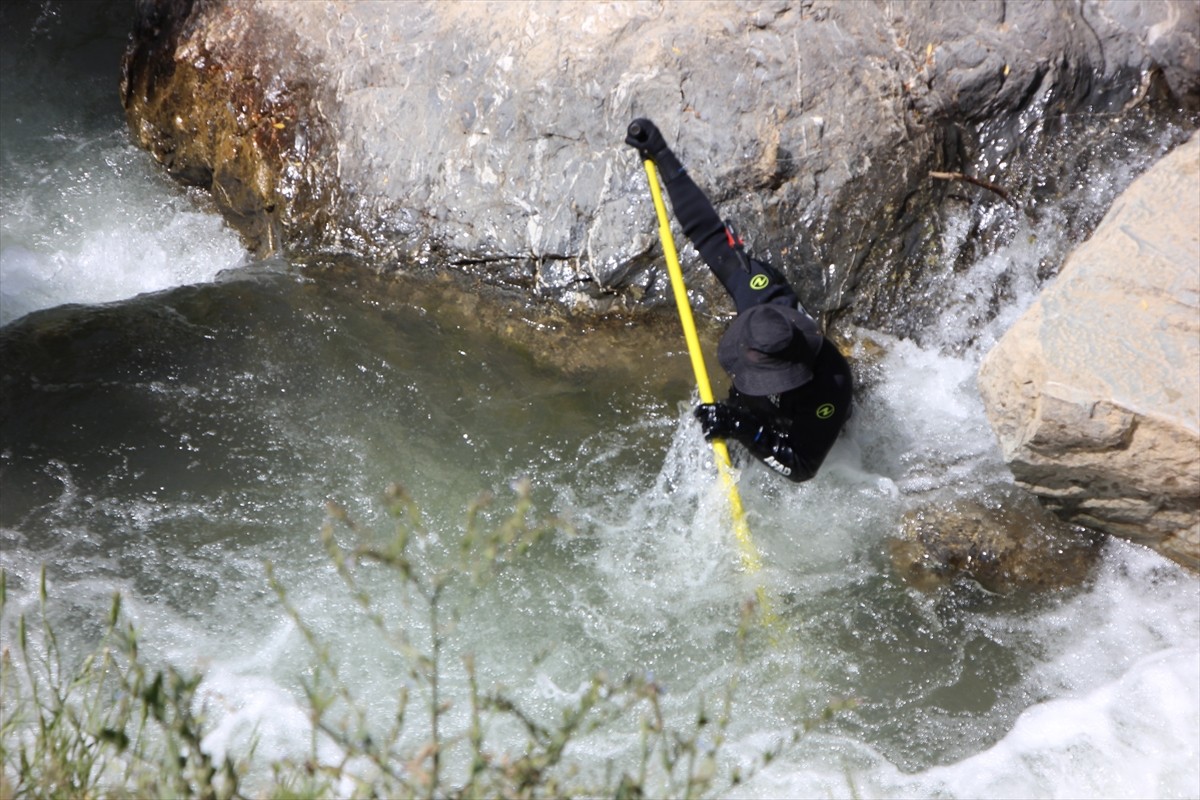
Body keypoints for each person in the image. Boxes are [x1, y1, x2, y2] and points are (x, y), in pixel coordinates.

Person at [625, 117, 853, 483]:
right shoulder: (755, 290)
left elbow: (803, 468)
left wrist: (746, 430)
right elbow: (707, 231)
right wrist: (661, 153)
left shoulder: (831, 384)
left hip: (806, 427)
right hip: (757, 408)